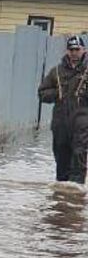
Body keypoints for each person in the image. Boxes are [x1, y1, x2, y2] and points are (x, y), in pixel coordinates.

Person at [38, 35, 88, 184]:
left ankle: (75, 197)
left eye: (77, 49)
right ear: (67, 51)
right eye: (71, 49)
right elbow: (42, 93)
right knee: (61, 161)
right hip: (60, 124)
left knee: (79, 157)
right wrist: (56, 94)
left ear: (83, 50)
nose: (74, 53)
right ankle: (62, 199)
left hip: (82, 124)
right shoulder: (57, 72)